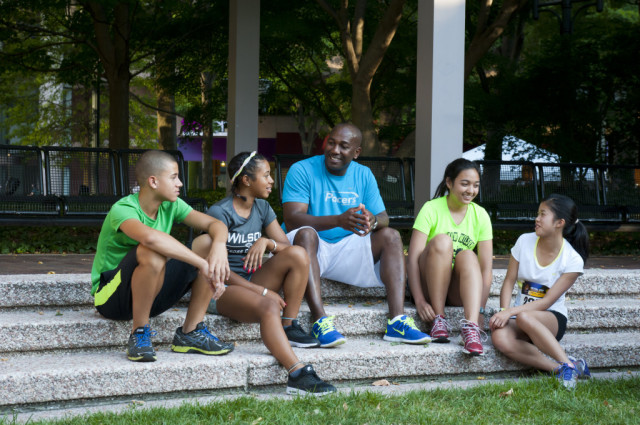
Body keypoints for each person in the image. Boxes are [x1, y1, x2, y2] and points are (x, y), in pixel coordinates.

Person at [282, 123, 431, 347]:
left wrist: (372, 221)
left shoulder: (363, 174)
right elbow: (292, 218)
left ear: (356, 152)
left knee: (390, 235)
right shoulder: (302, 169)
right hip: (309, 251)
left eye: (343, 146)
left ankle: (397, 321)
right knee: (305, 234)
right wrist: (338, 220)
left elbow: (384, 217)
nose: (334, 150)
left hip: (347, 250)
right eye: (331, 142)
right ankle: (319, 320)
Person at [206, 151, 335, 396]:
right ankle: (297, 372)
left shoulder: (262, 207)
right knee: (268, 306)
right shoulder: (219, 213)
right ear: (246, 180)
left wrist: (268, 243)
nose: (271, 180)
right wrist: (262, 291)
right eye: (265, 175)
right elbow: (216, 270)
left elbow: (288, 248)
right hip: (221, 288)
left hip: (251, 280)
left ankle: (288, 325)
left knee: (298, 254)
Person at [91, 150, 233, 363]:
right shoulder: (123, 209)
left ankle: (190, 332)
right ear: (153, 181)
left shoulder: (171, 205)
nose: (180, 184)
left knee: (208, 242)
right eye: (174, 177)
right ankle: (139, 333)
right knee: (153, 250)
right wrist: (202, 264)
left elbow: (216, 224)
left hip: (151, 291)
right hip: (111, 297)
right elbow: (150, 239)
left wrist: (220, 247)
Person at [490, 194, 591, 390]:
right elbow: (509, 281)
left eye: (542, 214)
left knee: (525, 317)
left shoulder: (572, 260)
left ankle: (567, 365)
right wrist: (504, 309)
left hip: (551, 319)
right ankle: (561, 368)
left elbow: (546, 302)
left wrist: (509, 312)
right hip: (520, 315)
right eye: (538, 213)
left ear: (559, 223)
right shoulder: (524, 241)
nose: (537, 219)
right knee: (499, 337)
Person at [407, 158, 493, 355]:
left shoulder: (480, 215)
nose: (470, 190)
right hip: (429, 285)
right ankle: (439, 319)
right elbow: (412, 259)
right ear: (449, 183)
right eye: (464, 183)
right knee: (443, 241)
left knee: (469, 256)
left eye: (475, 185)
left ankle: (470, 328)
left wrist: (480, 309)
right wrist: (419, 300)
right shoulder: (431, 208)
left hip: (456, 291)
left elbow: (486, 269)